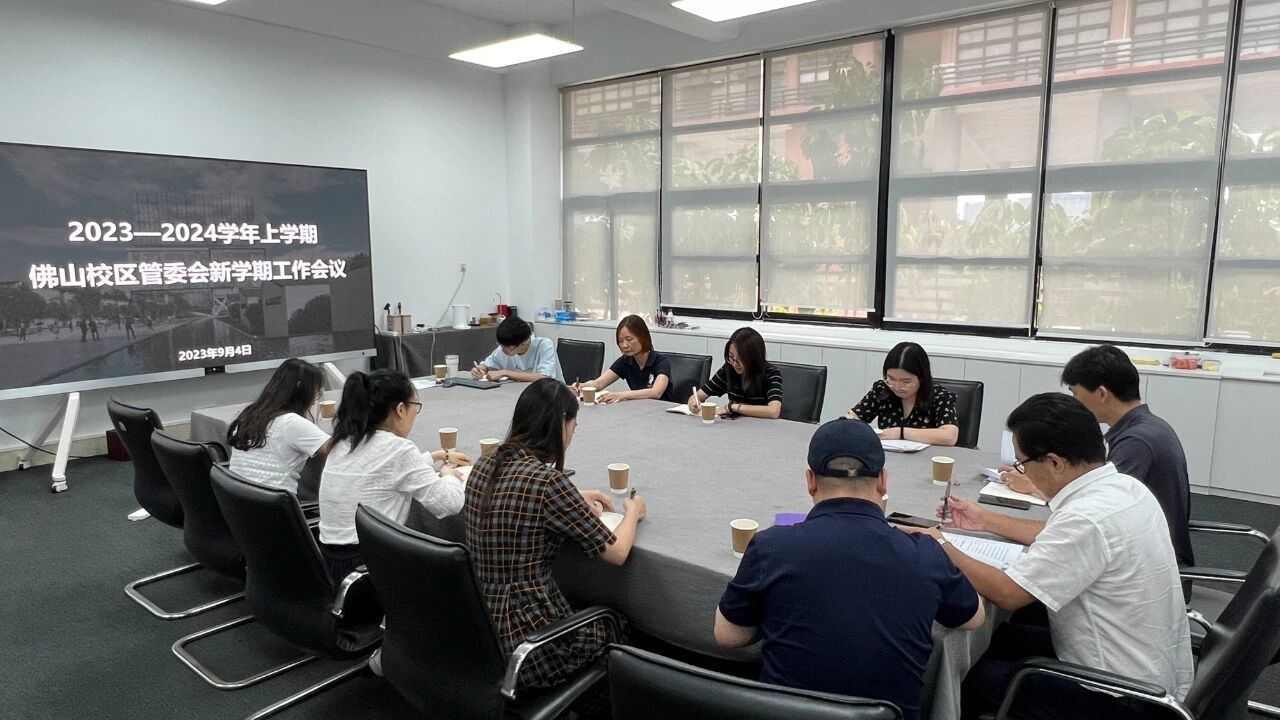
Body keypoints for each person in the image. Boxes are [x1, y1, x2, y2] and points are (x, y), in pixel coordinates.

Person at [902, 393, 1193, 720]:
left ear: (1055, 462)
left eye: (1023, 463)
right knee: (1001, 636)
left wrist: (940, 545)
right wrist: (985, 520)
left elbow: (1008, 594)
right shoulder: (1124, 488)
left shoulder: (1085, 518)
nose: (1022, 472)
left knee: (963, 678)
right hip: (1149, 669)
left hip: (1116, 697)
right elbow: (1057, 536)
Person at [715, 418, 984, 720]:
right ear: (883, 481)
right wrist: (940, 547)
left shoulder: (772, 546)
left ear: (810, 480)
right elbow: (974, 617)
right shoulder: (925, 554)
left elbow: (728, 636)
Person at [464, 378, 646, 690]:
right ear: (561, 425)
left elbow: (516, 494)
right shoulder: (548, 483)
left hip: (477, 624)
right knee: (616, 624)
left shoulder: (486, 462)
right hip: (527, 640)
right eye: (574, 426)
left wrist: (574, 497)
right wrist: (633, 512)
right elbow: (617, 553)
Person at [1000, 344, 1194, 567]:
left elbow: (1099, 508)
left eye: (1075, 393)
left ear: (1101, 393)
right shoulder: (1145, 427)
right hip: (1141, 547)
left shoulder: (1136, 443)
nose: (1073, 402)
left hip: (1147, 559)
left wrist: (1034, 486)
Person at [318, 369, 466, 582]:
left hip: (332, 564)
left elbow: (381, 471)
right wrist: (449, 474)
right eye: (414, 406)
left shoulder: (345, 440)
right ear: (400, 409)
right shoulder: (399, 449)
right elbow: (450, 504)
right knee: (454, 573)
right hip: (373, 568)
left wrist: (431, 457)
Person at [227, 358, 334, 496]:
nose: (314, 401)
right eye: (315, 393)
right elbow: (337, 448)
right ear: (301, 390)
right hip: (274, 505)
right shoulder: (290, 422)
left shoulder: (249, 415)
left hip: (240, 501)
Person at [849, 342, 959, 446]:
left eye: (905, 382)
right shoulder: (882, 389)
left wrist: (900, 433)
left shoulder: (939, 396)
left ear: (921, 378)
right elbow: (852, 418)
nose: (897, 387)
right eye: (891, 379)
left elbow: (950, 436)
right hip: (889, 456)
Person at [571, 314, 672, 403]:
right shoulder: (626, 361)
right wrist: (583, 386)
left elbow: (656, 392)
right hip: (640, 409)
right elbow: (599, 383)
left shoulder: (661, 362)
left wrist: (620, 395)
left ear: (643, 337)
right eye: (620, 341)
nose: (624, 345)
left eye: (629, 339)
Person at [686, 327, 783, 419]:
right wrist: (693, 402)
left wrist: (732, 407)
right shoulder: (729, 369)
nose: (735, 364)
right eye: (731, 357)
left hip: (763, 427)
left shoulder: (771, 373)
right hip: (734, 426)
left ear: (753, 358)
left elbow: (774, 411)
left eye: (740, 359)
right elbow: (698, 395)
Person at [471, 316, 564, 383]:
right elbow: (487, 364)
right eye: (501, 345)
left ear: (524, 342)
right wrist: (480, 370)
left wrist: (505, 373)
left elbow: (544, 378)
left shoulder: (544, 345)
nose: (502, 349)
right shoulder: (505, 347)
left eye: (507, 347)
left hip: (552, 395)